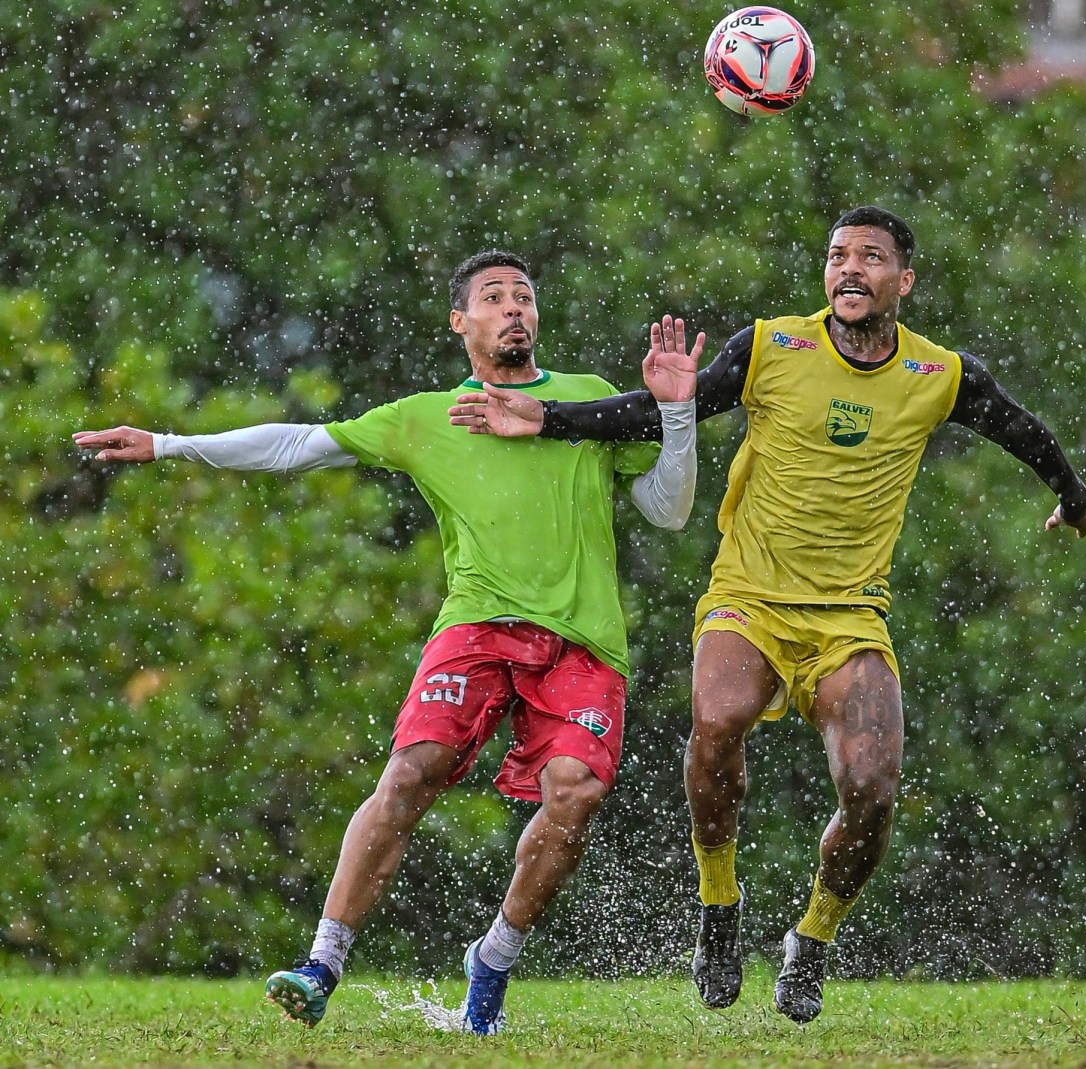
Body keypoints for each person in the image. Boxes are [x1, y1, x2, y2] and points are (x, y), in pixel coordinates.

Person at [447, 208, 1086, 1025]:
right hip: (749, 599)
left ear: (905, 281)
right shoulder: (770, 346)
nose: (850, 269)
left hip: (850, 620)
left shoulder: (939, 375)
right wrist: (545, 419)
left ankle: (812, 939)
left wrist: (1073, 498)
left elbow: (1025, 431)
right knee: (717, 717)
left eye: (871, 257)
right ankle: (718, 905)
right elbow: (651, 412)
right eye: (838, 256)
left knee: (872, 787)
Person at [74, 250, 704, 1035]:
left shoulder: (585, 401)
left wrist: (675, 414)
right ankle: (322, 961)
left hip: (581, 643)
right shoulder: (423, 417)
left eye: (525, 297)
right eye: (495, 298)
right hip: (476, 628)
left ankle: (495, 955)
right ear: (460, 322)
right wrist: (171, 443)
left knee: (574, 790)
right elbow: (299, 445)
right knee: (411, 772)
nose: (515, 309)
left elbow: (669, 509)